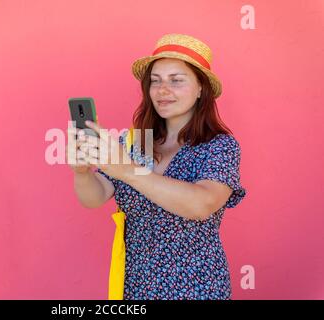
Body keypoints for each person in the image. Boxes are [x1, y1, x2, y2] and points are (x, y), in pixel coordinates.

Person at [66, 34, 246, 300]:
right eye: (155, 81)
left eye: (176, 80)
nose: (163, 90)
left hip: (197, 288)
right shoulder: (133, 142)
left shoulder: (220, 146)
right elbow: (95, 197)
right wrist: (81, 172)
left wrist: (128, 171)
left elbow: (202, 204)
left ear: (201, 89)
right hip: (136, 287)